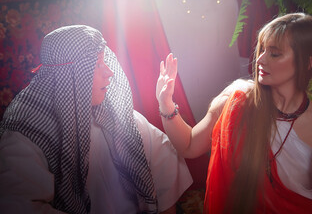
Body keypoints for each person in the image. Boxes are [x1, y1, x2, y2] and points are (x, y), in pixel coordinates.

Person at [156, 13, 312, 213]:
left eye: (274, 54)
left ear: (307, 63)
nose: (260, 59)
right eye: (262, 49)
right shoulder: (237, 100)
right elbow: (188, 145)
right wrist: (166, 104)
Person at [0, 25, 192, 214]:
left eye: (105, 62)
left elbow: (165, 176)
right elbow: (18, 204)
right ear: (70, 74)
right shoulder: (25, 135)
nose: (109, 72)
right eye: (97, 65)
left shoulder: (122, 117)